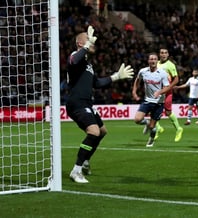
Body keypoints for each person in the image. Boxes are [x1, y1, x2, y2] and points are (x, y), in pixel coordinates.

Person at [66, 26, 134, 183]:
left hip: (87, 104)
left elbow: (96, 83)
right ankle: (76, 171)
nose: (93, 42)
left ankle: (85, 161)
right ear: (79, 43)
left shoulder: (88, 64)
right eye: (89, 39)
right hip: (77, 103)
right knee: (94, 132)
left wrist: (116, 76)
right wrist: (87, 44)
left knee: (102, 132)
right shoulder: (75, 57)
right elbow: (74, 60)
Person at [132, 53, 171, 147]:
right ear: (148, 61)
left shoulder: (162, 73)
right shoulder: (143, 71)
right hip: (147, 100)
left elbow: (167, 87)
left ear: (157, 61)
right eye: (151, 59)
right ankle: (146, 122)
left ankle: (151, 139)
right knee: (137, 120)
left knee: (152, 127)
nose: (153, 61)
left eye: (154, 59)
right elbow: (137, 80)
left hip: (159, 102)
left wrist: (160, 92)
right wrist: (134, 92)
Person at [155, 48, 183, 142]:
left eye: (165, 53)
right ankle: (158, 128)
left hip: (167, 92)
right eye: (162, 53)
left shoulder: (170, 65)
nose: (163, 54)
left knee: (167, 112)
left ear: (168, 54)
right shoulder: (156, 64)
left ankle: (179, 129)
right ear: (159, 54)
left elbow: (176, 79)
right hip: (157, 91)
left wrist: (169, 87)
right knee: (151, 109)